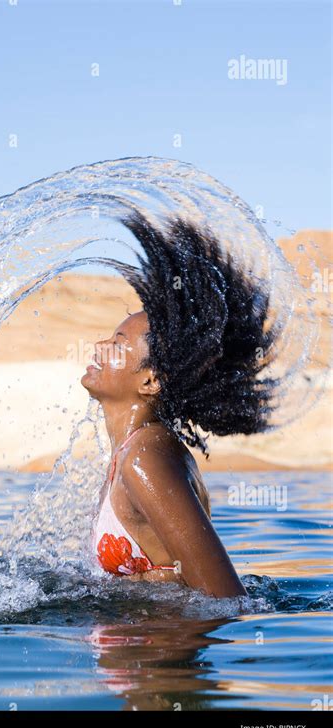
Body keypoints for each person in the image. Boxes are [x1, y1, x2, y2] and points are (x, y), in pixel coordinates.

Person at [81, 210, 280, 599]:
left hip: (163, 658)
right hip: (142, 653)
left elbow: (226, 599)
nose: (100, 347)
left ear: (150, 381)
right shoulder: (134, 449)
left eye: (119, 344)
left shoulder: (147, 455)